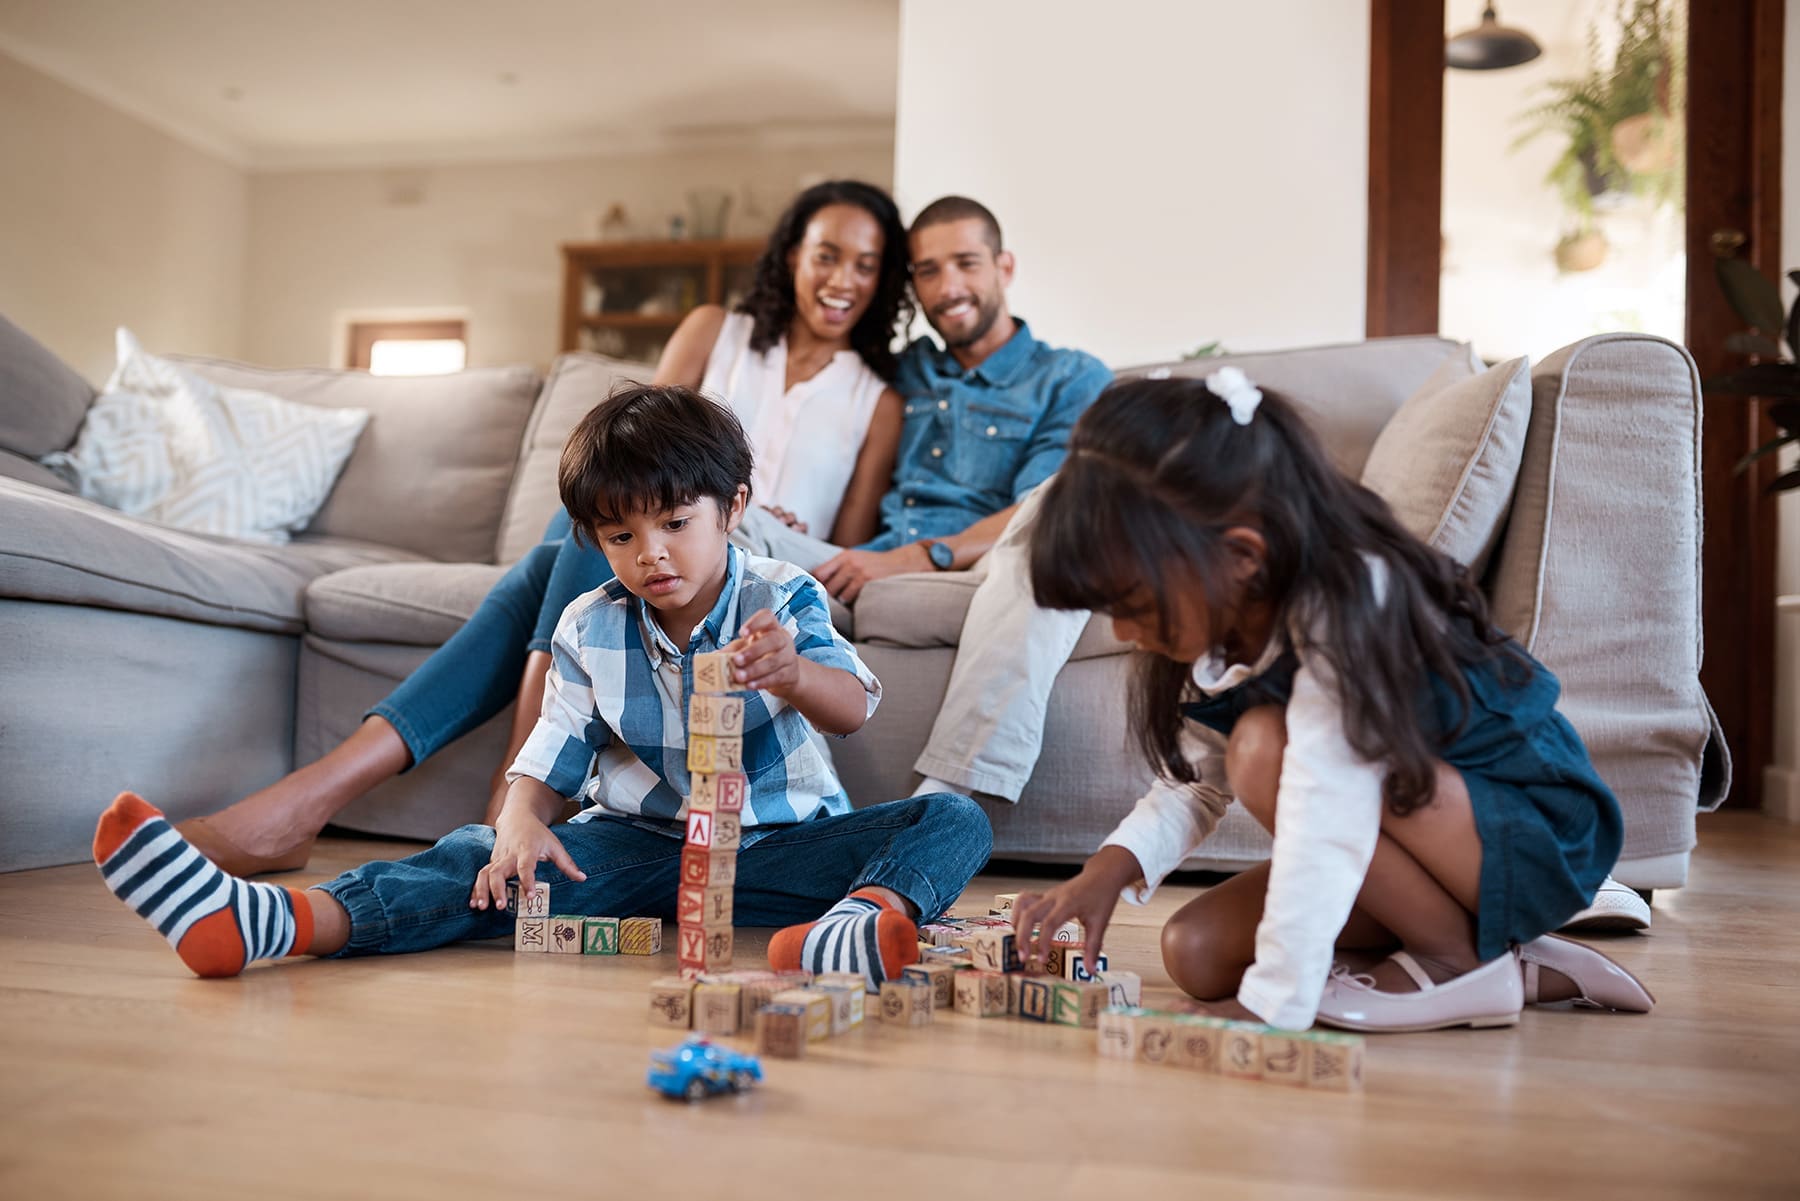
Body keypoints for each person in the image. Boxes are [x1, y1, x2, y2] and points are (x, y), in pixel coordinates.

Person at [93, 385, 992, 988]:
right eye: (622, 536)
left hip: (785, 854)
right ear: (595, 540)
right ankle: (282, 919)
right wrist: (520, 819)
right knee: (486, 863)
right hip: (640, 847)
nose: (654, 554)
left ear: (737, 508)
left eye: (678, 524)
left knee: (953, 817)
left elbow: (856, 705)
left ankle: (862, 921)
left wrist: (795, 675)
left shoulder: (779, 594)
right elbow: (552, 748)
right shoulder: (588, 625)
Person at [176, 180, 915, 877]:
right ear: (792, 255)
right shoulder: (715, 329)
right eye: (826, 254)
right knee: (595, 529)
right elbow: (642, 458)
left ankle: (403, 795)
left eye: (866, 264)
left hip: (753, 548)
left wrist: (775, 527)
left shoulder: (878, 396)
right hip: (675, 519)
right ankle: (488, 797)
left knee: (581, 543)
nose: (841, 277)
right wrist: (657, 520)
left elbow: (845, 538)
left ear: (883, 279)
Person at [1007, 370, 1654, 1033]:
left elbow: (1328, 812)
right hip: (1437, 843)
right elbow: (1199, 785)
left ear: (1241, 557)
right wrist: (1105, 872)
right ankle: (1512, 957)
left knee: (1263, 749)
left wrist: (1273, 1004)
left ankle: (1457, 961)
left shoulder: (1351, 599)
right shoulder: (1227, 624)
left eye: (1134, 605)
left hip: (1531, 828)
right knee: (1193, 951)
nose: (1122, 633)